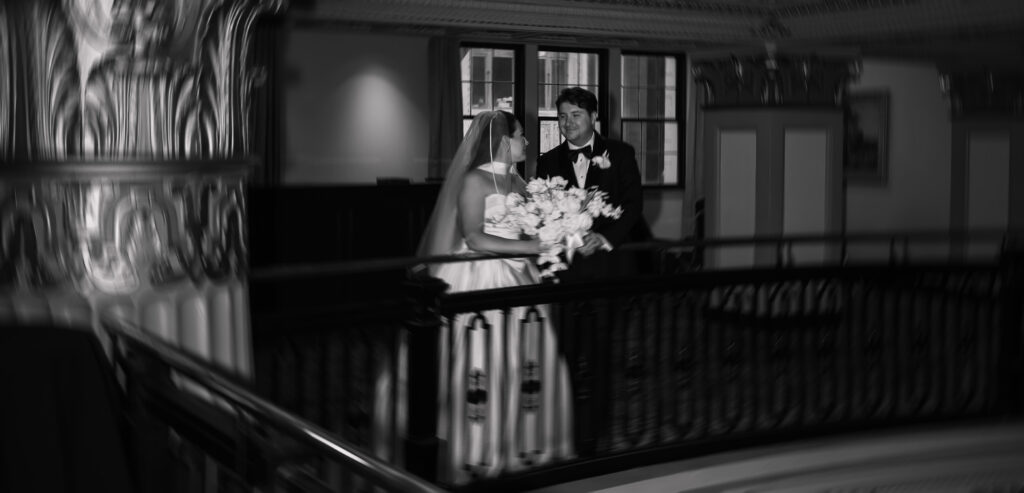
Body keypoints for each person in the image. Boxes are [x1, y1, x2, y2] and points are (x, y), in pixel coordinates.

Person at [416, 110, 574, 484]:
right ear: (505, 140)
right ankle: (475, 447)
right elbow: (474, 237)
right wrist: (532, 247)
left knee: (525, 360)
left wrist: (558, 228)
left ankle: (521, 441)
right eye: (521, 136)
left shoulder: (520, 181)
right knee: (482, 360)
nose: (526, 142)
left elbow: (530, 228)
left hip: (520, 275)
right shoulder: (474, 180)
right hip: (482, 274)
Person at [536, 86, 652, 282]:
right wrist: (573, 240)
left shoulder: (621, 153)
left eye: (576, 115)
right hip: (568, 267)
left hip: (613, 264)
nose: (568, 123)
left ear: (593, 117)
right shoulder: (547, 161)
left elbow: (633, 204)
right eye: (562, 116)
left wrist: (603, 238)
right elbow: (544, 213)